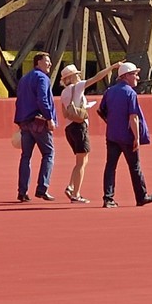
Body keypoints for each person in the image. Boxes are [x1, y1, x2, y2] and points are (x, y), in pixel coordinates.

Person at [97, 61, 152, 208]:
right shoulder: (130, 93)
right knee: (135, 167)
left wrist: (112, 122)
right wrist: (136, 137)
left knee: (110, 166)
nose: (137, 77)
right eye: (135, 74)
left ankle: (108, 198)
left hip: (112, 135)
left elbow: (101, 110)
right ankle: (141, 196)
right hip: (127, 137)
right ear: (126, 76)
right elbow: (133, 117)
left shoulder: (109, 91)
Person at [13, 48, 57, 202]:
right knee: (48, 154)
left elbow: (19, 100)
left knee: (26, 156)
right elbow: (42, 99)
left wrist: (19, 121)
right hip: (38, 122)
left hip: (24, 122)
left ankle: (22, 191)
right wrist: (49, 118)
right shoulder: (42, 78)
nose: (50, 63)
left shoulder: (24, 79)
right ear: (38, 62)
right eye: (47, 61)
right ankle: (42, 188)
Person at [56, 61, 101, 203]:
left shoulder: (64, 92)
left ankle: (71, 186)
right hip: (79, 127)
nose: (79, 77)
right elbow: (96, 78)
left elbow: (65, 113)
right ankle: (76, 194)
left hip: (70, 128)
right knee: (81, 162)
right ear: (72, 77)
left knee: (81, 160)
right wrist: (112, 67)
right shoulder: (78, 86)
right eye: (77, 75)